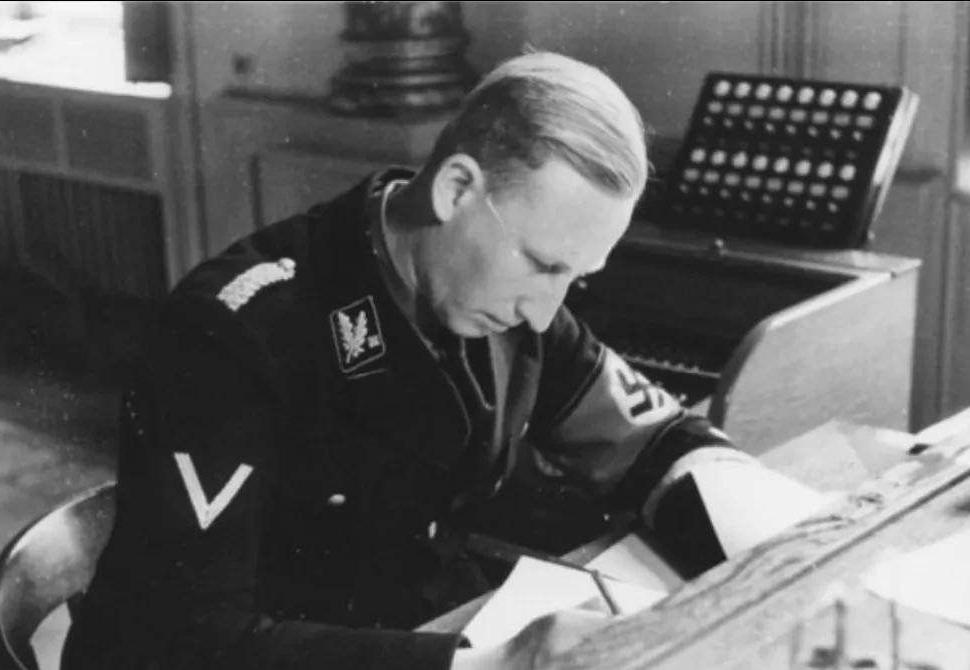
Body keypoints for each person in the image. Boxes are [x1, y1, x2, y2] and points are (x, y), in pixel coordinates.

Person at [61, 51, 792, 670]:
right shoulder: (237, 331)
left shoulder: (504, 299)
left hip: (435, 628)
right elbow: (184, 640)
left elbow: (654, 438)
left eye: (574, 278)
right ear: (456, 189)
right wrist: (496, 663)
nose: (548, 312)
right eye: (545, 265)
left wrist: (800, 542)